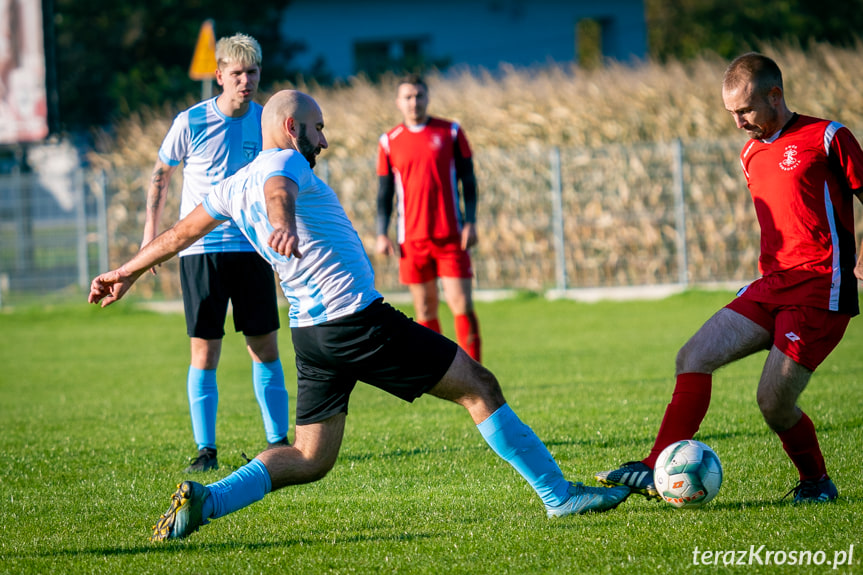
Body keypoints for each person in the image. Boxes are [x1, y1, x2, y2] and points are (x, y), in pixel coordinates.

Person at [88, 90, 631, 541]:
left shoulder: (230, 187)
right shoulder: (284, 162)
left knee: (308, 456)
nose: (324, 139)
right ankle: (559, 496)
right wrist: (281, 220)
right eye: (317, 128)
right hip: (356, 320)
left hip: (313, 332)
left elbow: (180, 235)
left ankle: (208, 503)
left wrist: (126, 271)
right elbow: (279, 191)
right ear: (289, 126)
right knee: (479, 387)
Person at [596, 52, 863, 504]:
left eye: (745, 110)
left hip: (820, 289)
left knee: (773, 404)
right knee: (693, 356)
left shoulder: (828, 136)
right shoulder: (750, 153)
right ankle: (652, 464)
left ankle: (817, 482)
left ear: (775, 95)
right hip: (771, 286)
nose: (738, 121)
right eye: (731, 113)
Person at [141, 33, 289, 472]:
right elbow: (161, 173)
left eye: (253, 73)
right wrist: (152, 234)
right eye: (237, 74)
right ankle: (206, 451)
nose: (246, 81)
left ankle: (277, 442)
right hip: (201, 251)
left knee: (264, 347)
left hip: (252, 249)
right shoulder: (190, 122)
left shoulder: (267, 122)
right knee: (204, 352)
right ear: (220, 75)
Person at [376, 74, 482, 362]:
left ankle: (476, 372)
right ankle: (440, 374)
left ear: (427, 98)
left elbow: (469, 182)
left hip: (450, 236)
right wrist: (381, 232)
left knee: (461, 305)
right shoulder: (389, 141)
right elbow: (384, 194)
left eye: (419, 96)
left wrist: (470, 221)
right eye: (408, 97)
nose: (414, 102)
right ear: (399, 102)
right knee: (424, 311)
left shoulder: (450, 132)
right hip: (412, 239)